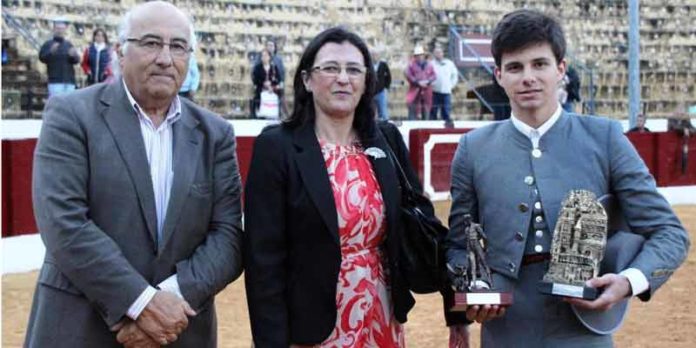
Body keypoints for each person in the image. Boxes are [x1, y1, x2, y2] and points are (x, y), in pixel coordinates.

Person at [446, 9, 689, 347]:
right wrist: (474, 287)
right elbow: (458, 245)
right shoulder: (473, 148)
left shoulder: (604, 137)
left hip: (584, 326)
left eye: (539, 64)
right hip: (505, 328)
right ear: (499, 75)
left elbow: (670, 234)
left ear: (561, 69)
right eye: (515, 67)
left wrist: (628, 281)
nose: (528, 77)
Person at [24, 2, 244, 347]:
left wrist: (167, 301)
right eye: (151, 43)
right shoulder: (71, 114)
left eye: (177, 46)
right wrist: (140, 303)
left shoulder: (215, 133)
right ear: (119, 52)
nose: (165, 58)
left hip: (179, 329)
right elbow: (63, 222)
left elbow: (228, 236)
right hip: (81, 327)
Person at [244, 27, 465, 347]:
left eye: (353, 69)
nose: (343, 78)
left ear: (366, 81)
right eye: (330, 68)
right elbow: (263, 259)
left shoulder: (386, 139)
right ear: (307, 79)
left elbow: (425, 226)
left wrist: (456, 311)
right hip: (310, 327)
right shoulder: (277, 147)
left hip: (381, 317)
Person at [39, 18, 80, 96]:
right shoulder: (48, 44)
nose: (60, 31)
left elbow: (76, 60)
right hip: (55, 82)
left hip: (69, 81)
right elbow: (42, 58)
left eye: (62, 29)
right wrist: (51, 52)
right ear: (54, 29)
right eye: (58, 28)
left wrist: (73, 56)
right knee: (56, 105)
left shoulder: (69, 44)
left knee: (68, 106)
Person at [405, 45, 436, 120]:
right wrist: (417, 82)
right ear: (415, 56)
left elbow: (434, 75)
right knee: (413, 110)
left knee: (426, 110)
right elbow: (408, 75)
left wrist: (428, 81)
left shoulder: (429, 65)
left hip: (426, 91)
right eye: (417, 55)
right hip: (415, 91)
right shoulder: (411, 65)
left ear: (423, 55)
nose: (419, 57)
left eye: (420, 55)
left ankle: (425, 126)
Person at [430, 46, 458, 124]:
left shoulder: (449, 63)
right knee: (433, 111)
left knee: (446, 111)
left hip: (446, 92)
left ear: (442, 53)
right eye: (436, 53)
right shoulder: (431, 64)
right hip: (434, 92)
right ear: (434, 54)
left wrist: (451, 86)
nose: (438, 54)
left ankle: (447, 129)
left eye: (439, 52)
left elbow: (454, 75)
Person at [251, 48, 281, 118]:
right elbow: (255, 79)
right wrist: (263, 84)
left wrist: (271, 86)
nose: (264, 58)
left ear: (269, 57)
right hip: (261, 89)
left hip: (272, 90)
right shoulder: (258, 68)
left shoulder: (274, 68)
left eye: (266, 56)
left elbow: (278, 79)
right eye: (262, 56)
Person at [266, 39, 288, 117]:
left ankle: (283, 115)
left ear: (275, 47)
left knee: (281, 98)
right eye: (268, 45)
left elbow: (281, 71)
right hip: (265, 84)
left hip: (277, 83)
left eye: (271, 45)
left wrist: (281, 82)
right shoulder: (262, 57)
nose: (270, 47)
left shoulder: (278, 59)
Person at [372, 48, 392, 120]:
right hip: (371, 91)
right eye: (373, 55)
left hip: (381, 91)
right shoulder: (369, 65)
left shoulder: (383, 65)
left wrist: (386, 86)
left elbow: (388, 76)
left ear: (379, 56)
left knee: (383, 112)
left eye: (376, 55)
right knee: (371, 111)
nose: (375, 57)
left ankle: (386, 126)